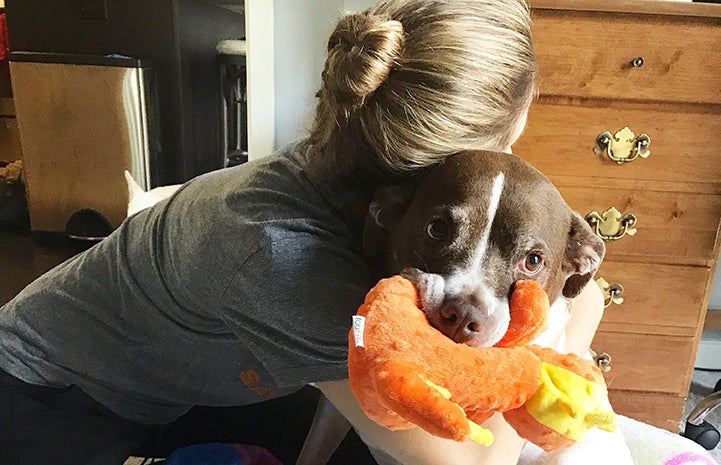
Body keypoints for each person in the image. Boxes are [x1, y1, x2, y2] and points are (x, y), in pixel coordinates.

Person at [0, 1, 604, 464]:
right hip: (49, 398)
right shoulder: (289, 258)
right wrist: (560, 338)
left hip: (185, 378)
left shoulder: (357, 169)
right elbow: (470, 458)